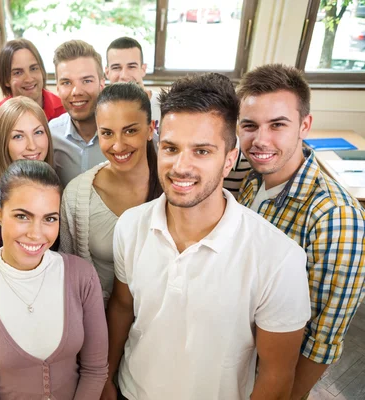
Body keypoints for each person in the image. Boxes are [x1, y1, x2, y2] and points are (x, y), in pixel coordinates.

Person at [102, 73, 312, 400]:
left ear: (229, 160)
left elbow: (276, 375)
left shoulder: (279, 258)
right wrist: (107, 379)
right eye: (171, 148)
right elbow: (122, 306)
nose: (180, 167)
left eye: (201, 151)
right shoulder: (131, 226)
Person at [236, 64, 365, 400]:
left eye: (278, 125)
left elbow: (323, 337)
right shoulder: (254, 182)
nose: (261, 140)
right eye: (250, 126)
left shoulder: (335, 217)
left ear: (304, 125)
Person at [0, 160, 108, 399]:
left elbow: (95, 370)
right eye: (23, 216)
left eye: (50, 218)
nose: (36, 233)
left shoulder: (82, 276)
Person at [60, 82, 161, 304]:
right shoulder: (77, 196)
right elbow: (68, 275)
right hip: (99, 321)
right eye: (107, 133)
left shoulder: (174, 187)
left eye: (130, 130)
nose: (118, 146)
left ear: (150, 129)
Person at [0, 96, 54, 253]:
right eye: (18, 136)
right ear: (3, 143)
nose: (32, 146)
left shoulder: (57, 190)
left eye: (38, 132)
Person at [49, 40, 107, 187]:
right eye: (67, 83)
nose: (77, 92)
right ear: (57, 88)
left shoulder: (124, 135)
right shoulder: (50, 135)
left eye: (86, 81)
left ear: (102, 83)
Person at [0, 38, 66, 121]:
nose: (29, 79)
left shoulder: (64, 109)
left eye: (33, 69)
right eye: (18, 72)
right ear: (6, 80)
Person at [104, 37, 161, 135]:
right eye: (116, 68)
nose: (124, 76)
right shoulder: (101, 108)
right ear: (107, 72)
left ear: (143, 69)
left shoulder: (164, 106)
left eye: (131, 67)